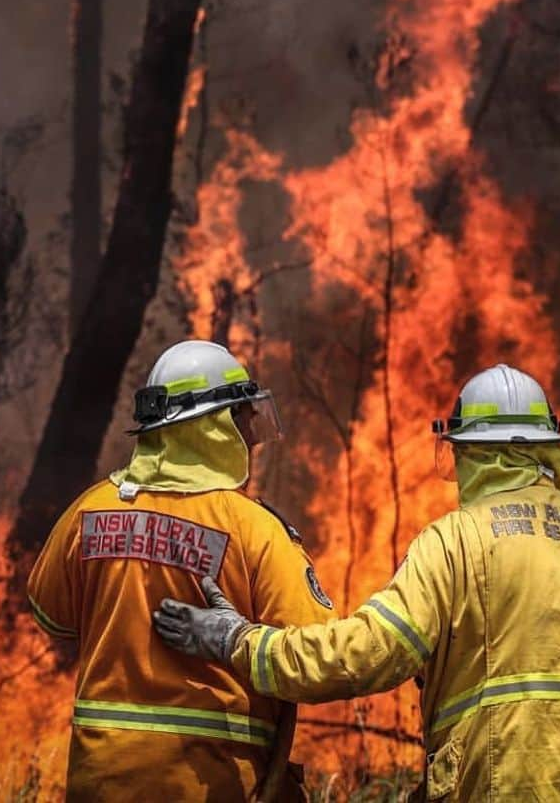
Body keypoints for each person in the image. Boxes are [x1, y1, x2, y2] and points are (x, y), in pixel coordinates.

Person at [153, 364, 560, 801]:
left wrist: (236, 640)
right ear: (548, 450)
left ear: (466, 452)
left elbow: (364, 655)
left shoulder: (455, 542)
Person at [27, 339, 335, 802]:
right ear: (218, 428)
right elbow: (317, 655)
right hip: (212, 783)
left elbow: (53, 615)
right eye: (244, 422)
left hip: (102, 782)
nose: (251, 439)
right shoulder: (255, 529)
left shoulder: (87, 512)